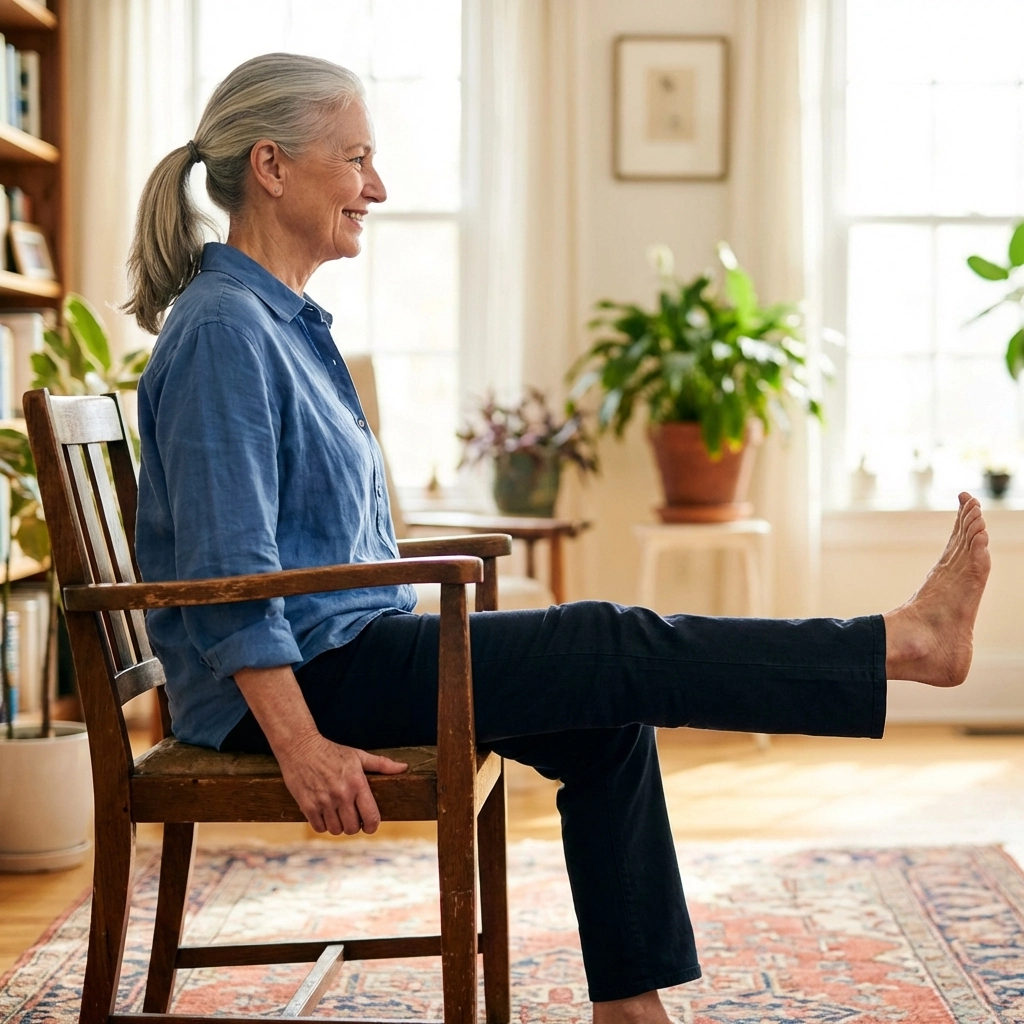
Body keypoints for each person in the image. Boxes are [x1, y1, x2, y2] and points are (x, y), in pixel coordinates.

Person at [125, 53, 991, 1024]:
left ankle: (629, 1010)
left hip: (346, 651)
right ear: (273, 166)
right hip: (303, 681)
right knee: (609, 642)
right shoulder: (225, 329)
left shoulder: (279, 324)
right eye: (357, 158)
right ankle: (895, 644)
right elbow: (225, 567)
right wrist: (299, 744)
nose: (378, 187)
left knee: (604, 713)